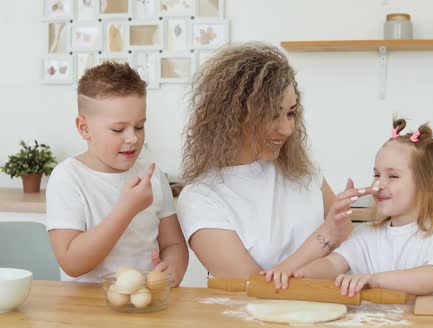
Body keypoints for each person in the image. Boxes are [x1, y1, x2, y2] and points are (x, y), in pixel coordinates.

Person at [177, 43, 373, 288]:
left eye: (291, 113)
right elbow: (256, 289)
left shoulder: (303, 173)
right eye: (272, 115)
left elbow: (354, 253)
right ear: (234, 117)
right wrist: (326, 236)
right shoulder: (200, 197)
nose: (287, 129)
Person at [46, 62, 188, 286]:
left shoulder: (153, 176)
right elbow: (72, 263)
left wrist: (172, 268)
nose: (132, 138)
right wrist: (126, 210)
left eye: (139, 126)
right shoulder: (68, 178)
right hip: (85, 310)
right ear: (84, 128)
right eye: (118, 129)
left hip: (146, 301)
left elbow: (174, 245)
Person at [293, 119, 433, 295]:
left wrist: (375, 280)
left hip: (426, 322)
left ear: (427, 186)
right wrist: (302, 274)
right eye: (376, 174)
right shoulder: (365, 234)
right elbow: (333, 264)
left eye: (393, 176)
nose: (379, 184)